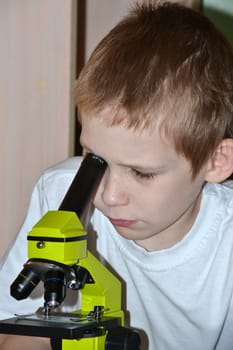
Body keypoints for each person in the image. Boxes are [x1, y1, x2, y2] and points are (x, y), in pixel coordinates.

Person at [1, 1, 233, 349]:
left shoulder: (225, 243)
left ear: (215, 161)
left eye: (142, 173)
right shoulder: (61, 194)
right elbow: (17, 335)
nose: (109, 196)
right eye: (95, 159)